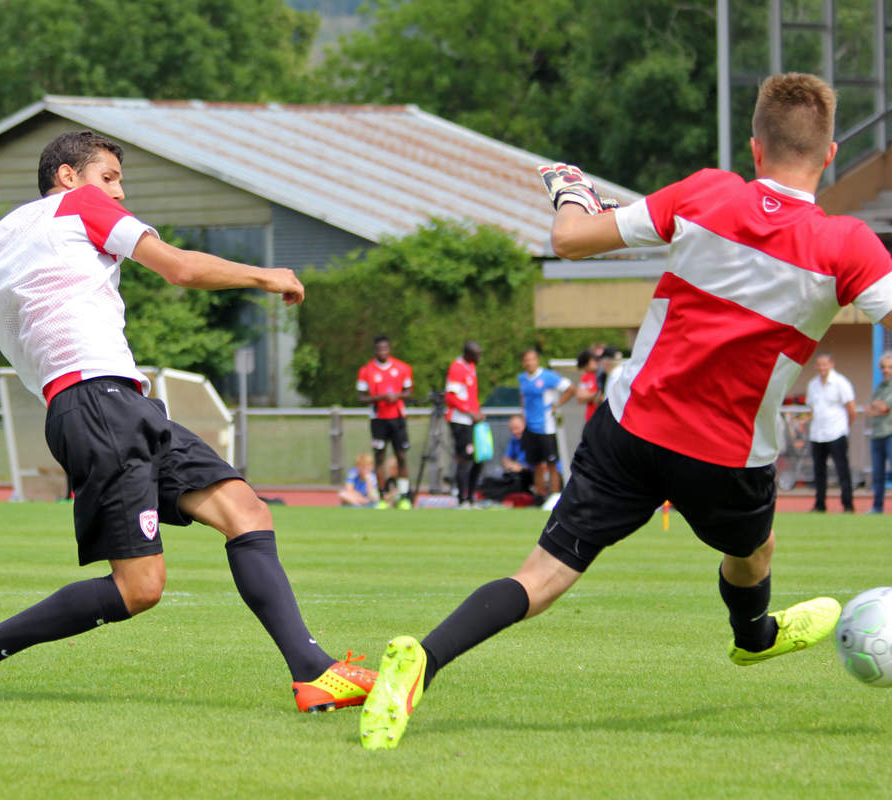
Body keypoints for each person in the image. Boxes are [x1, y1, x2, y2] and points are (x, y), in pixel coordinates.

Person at [360, 73, 892, 749]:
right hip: (726, 457)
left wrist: (573, 194)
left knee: (542, 576)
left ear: (754, 149)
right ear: (832, 155)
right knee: (753, 550)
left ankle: (422, 663)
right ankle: (753, 636)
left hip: (629, 429)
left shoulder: (706, 193)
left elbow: (572, 239)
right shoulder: (847, 245)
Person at [0, 130, 375, 711]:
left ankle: (313, 672)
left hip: (115, 405)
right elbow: (178, 269)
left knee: (244, 510)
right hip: (98, 404)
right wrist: (265, 275)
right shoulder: (78, 205)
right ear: (68, 176)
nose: (119, 194)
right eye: (110, 177)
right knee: (139, 588)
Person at [356, 335, 414, 509]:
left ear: (389, 349)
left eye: (385, 349)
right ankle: (382, 498)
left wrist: (396, 396)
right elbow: (360, 397)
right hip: (378, 419)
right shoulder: (366, 371)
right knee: (379, 457)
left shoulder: (402, 368)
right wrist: (380, 397)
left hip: (397, 418)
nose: (383, 352)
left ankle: (404, 497)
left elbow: (409, 392)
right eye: (379, 349)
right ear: (375, 350)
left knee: (401, 457)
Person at [518, 348, 576, 497]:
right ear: (523, 363)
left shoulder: (547, 377)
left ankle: (555, 496)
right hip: (530, 427)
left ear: (537, 361)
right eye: (526, 360)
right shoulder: (522, 379)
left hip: (546, 427)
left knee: (551, 463)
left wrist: (556, 405)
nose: (529, 363)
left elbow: (570, 388)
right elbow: (523, 398)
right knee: (535, 464)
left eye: (532, 359)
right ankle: (540, 495)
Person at [805, 352, 856, 512]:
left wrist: (845, 427)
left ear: (831, 364)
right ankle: (820, 504)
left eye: (824, 364)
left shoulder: (841, 382)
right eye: (818, 364)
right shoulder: (812, 384)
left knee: (842, 470)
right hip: (817, 434)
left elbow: (851, 408)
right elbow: (812, 408)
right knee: (819, 471)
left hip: (836, 432)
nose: (821, 368)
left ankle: (847, 505)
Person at [444, 341, 484, 508]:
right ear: (468, 354)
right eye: (477, 354)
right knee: (465, 458)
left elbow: (470, 395)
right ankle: (462, 499)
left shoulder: (471, 367)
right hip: (460, 421)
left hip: (472, 421)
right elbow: (451, 397)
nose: (480, 358)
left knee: (478, 458)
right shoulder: (457, 368)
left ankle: (472, 497)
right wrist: (470, 412)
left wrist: (478, 411)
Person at [866, 352, 892, 514]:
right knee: (877, 474)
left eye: (890, 367)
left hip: (890, 433)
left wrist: (879, 407)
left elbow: (884, 408)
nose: (886, 370)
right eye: (883, 367)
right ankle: (877, 506)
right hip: (877, 435)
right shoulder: (880, 388)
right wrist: (878, 407)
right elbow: (869, 409)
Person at [575, 349, 600, 423]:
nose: (584, 370)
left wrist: (590, 395)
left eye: (584, 367)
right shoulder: (587, 376)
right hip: (592, 419)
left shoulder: (606, 374)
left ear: (590, 361)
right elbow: (580, 397)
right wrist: (597, 393)